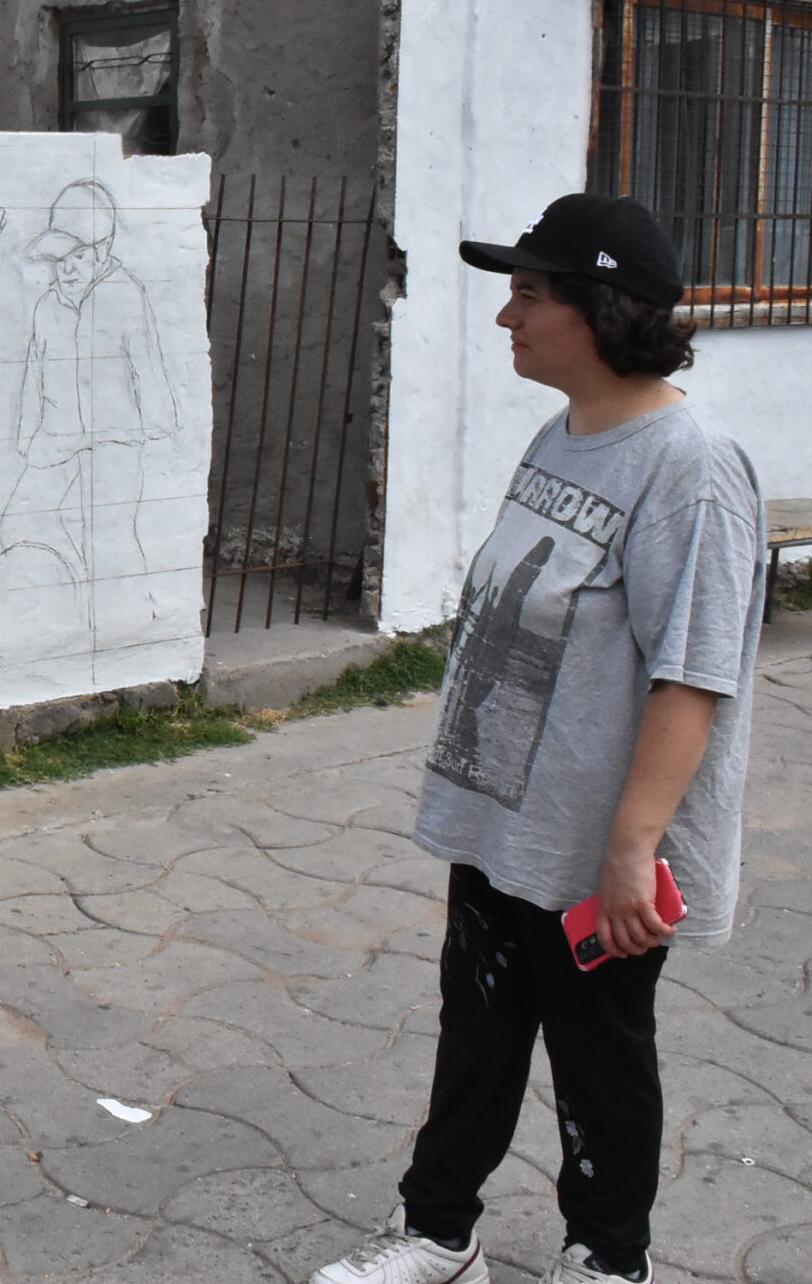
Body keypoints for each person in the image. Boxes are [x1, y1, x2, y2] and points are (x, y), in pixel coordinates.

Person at [310, 194, 765, 1284]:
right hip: (505, 816)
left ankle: (608, 1260)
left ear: (602, 312)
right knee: (474, 1030)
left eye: (528, 294)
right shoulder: (562, 432)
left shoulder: (689, 467)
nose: (506, 318)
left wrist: (630, 852)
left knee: (599, 1057)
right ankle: (437, 1233)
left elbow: (693, 674)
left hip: (595, 851)